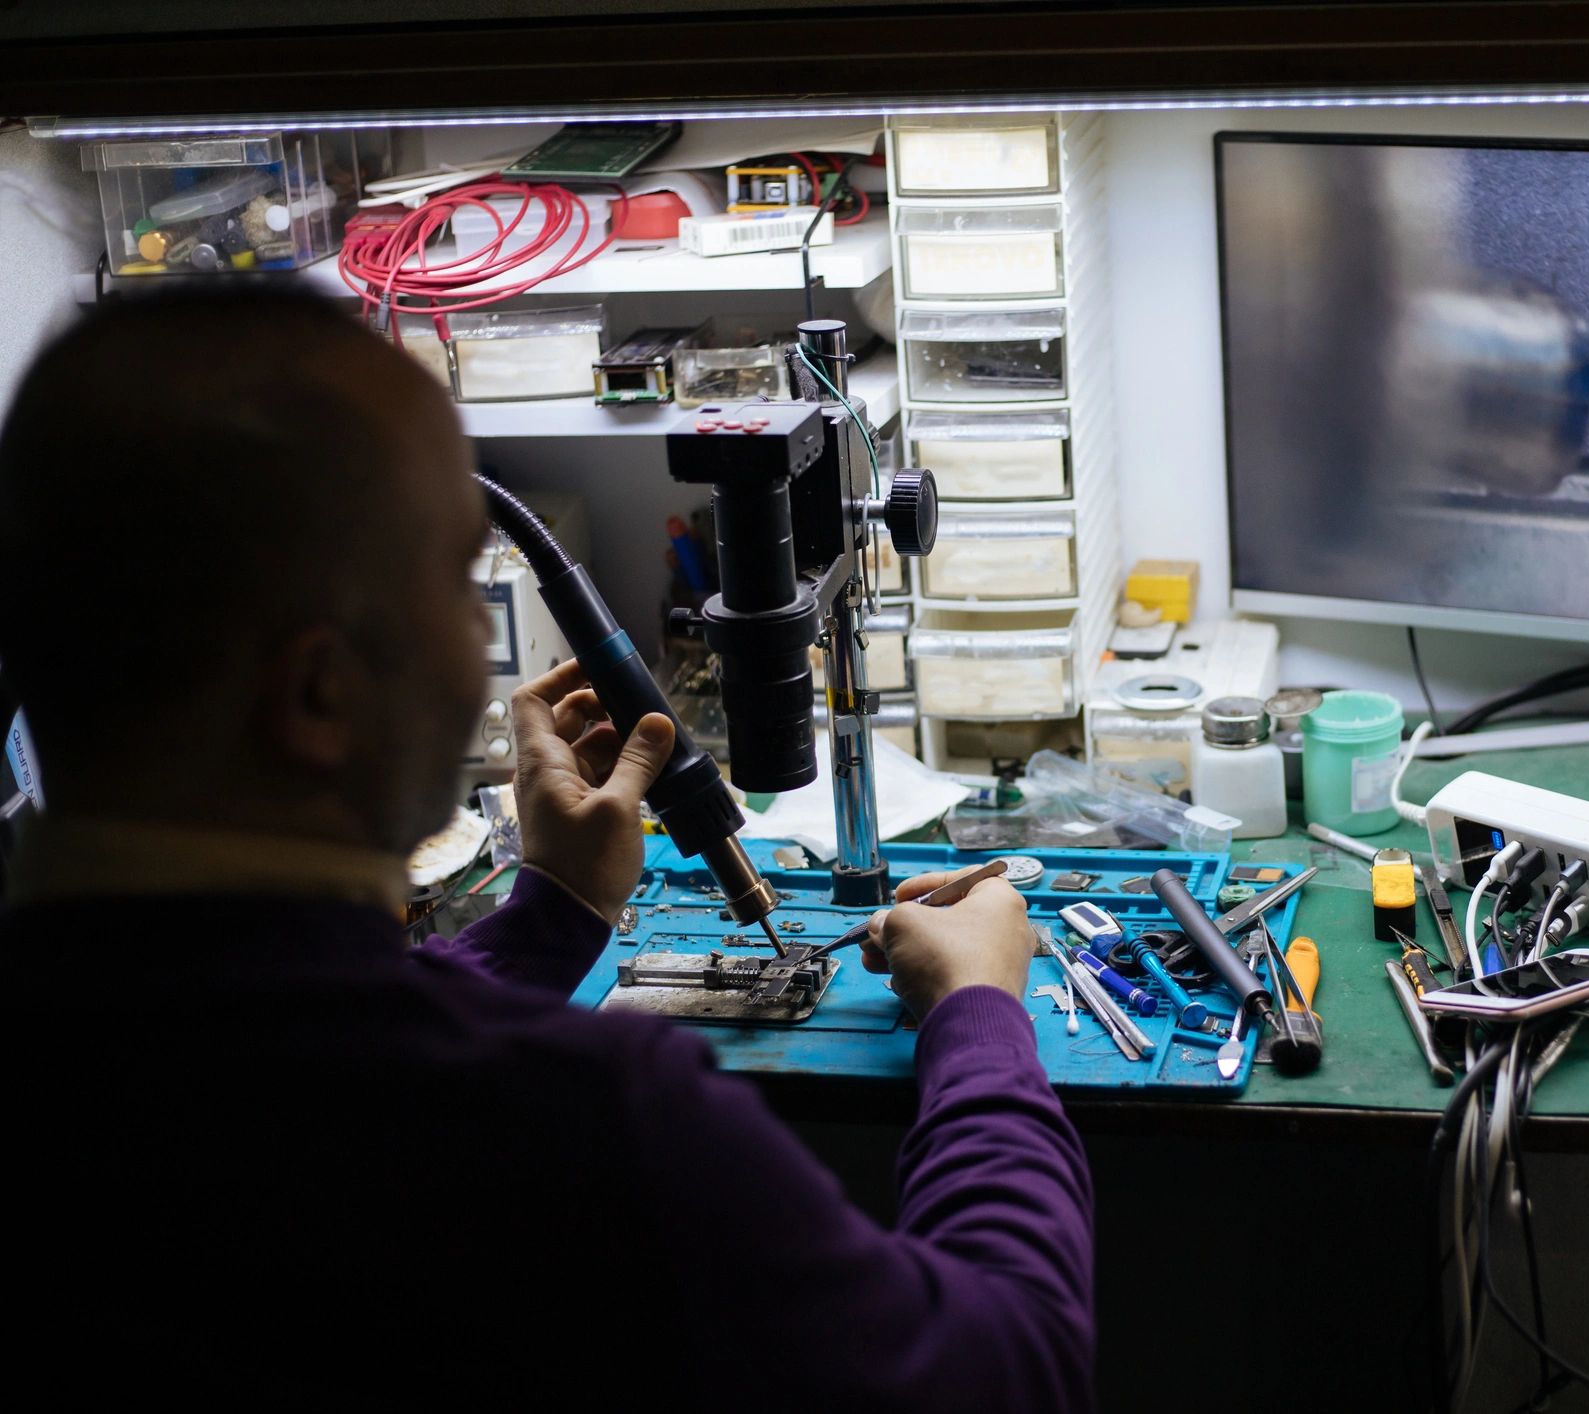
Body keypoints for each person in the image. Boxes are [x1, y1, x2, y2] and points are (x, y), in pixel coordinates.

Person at [0, 290, 1094, 1408]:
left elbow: (244, 1036)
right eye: (456, 586)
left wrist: (552, 911)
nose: (483, 637)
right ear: (323, 692)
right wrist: (981, 1018)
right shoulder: (580, 1130)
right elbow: (1012, 1368)